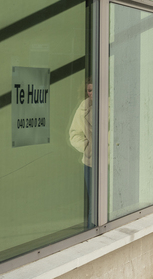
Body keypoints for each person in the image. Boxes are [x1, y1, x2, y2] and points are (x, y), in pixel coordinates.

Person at [69, 80, 95, 228]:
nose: (91, 93)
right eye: (89, 90)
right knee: (94, 204)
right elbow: (74, 135)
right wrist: (89, 148)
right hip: (91, 162)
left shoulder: (115, 104)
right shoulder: (83, 109)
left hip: (112, 161)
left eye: (94, 89)